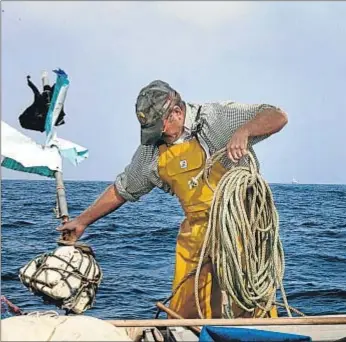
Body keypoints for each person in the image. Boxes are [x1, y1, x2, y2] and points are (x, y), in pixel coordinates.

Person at [57, 80, 288, 319]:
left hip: (240, 224)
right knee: (184, 309)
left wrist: (244, 131)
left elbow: (277, 115)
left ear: (177, 112)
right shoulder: (153, 149)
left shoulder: (216, 118)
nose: (159, 135)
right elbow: (122, 188)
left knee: (248, 299)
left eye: (160, 127)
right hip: (196, 232)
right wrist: (83, 221)